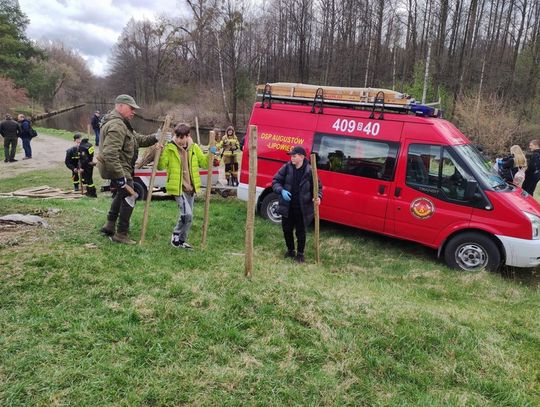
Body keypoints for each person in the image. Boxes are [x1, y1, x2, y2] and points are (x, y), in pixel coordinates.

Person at [96, 94, 161, 244]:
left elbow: (139, 140)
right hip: (119, 168)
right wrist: (120, 176)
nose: (133, 112)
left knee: (121, 194)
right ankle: (121, 234)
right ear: (120, 106)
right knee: (130, 195)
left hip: (120, 167)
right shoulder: (118, 125)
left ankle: (109, 225)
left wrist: (156, 136)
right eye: (131, 108)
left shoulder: (122, 124)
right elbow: (110, 154)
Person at [158, 123, 216, 249]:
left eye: (181, 137)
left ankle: (182, 241)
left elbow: (204, 163)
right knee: (187, 215)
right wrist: (159, 152)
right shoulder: (170, 148)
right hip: (178, 188)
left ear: (188, 136)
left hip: (190, 188)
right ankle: (175, 235)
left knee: (187, 216)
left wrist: (212, 152)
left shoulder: (194, 148)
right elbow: (161, 166)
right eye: (177, 136)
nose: (178, 140)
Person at [272, 145, 323, 263]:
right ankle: (290, 251)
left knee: (300, 231)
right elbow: (276, 181)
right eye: (291, 156)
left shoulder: (310, 171)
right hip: (287, 206)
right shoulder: (287, 167)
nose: (291, 158)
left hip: (302, 208)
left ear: (301, 157)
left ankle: (300, 254)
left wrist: (318, 197)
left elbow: (318, 188)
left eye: (294, 156)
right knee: (287, 229)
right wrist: (281, 191)